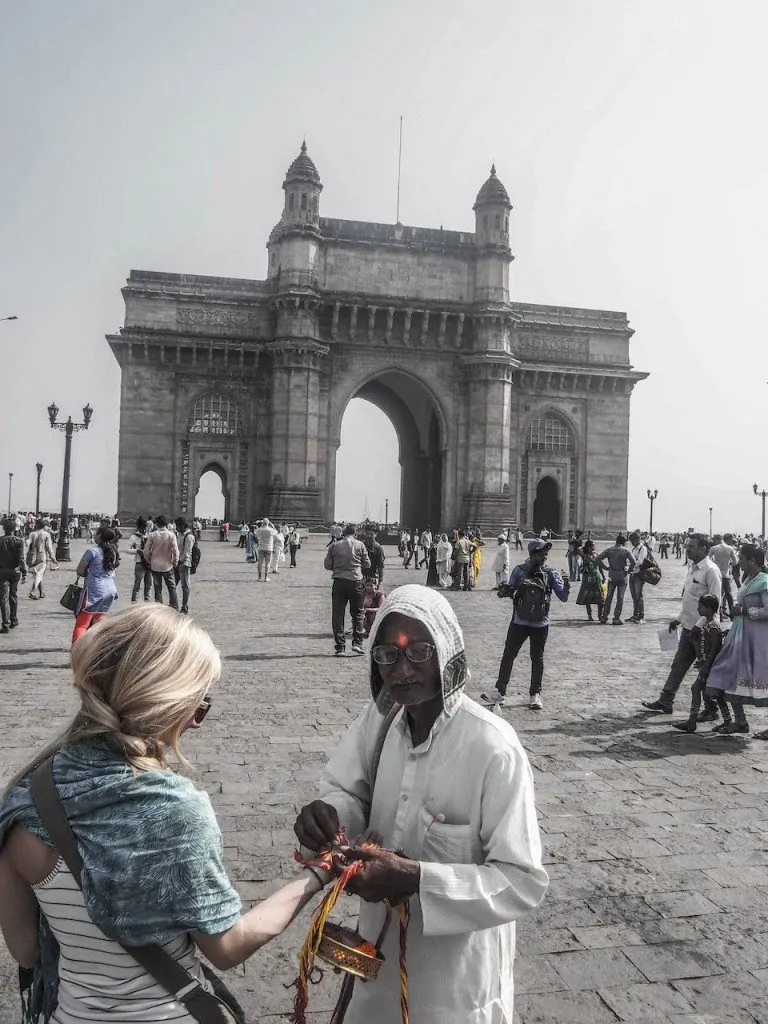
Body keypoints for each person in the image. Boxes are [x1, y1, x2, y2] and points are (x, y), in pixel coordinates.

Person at [0, 605, 334, 1024]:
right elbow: (226, 947)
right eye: (198, 706)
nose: (195, 723)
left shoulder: (25, 795)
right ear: (164, 700)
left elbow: (26, 948)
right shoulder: (174, 810)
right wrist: (318, 874)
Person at [294, 585, 548, 1024]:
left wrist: (416, 878)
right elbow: (348, 790)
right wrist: (331, 815)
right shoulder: (381, 719)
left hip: (453, 985)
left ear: (448, 653)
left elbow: (521, 881)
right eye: (387, 654)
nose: (402, 670)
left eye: (419, 651)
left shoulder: (493, 748)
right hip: (376, 959)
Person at [481, 539, 570, 711]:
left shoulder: (550, 573)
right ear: (532, 553)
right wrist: (505, 590)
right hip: (520, 621)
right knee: (508, 656)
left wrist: (565, 583)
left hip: (539, 624)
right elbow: (509, 591)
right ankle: (500, 691)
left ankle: (535, 694)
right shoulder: (519, 571)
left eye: (545, 553)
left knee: (537, 659)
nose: (544, 556)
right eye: (540, 553)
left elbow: (563, 597)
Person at [641, 533, 722, 714]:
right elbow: (691, 599)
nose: (687, 549)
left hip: (704, 631)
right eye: (687, 546)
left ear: (703, 549)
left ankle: (711, 708)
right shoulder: (692, 568)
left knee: (705, 669)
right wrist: (679, 619)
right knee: (679, 664)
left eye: (691, 546)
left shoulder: (711, 570)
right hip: (688, 627)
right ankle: (665, 700)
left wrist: (698, 626)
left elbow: (715, 604)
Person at [705, 544, 768, 736]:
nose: (738, 561)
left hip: (757, 640)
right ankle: (739, 721)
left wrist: (746, 611)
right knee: (727, 673)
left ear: (752, 561)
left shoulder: (764, 581)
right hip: (739, 636)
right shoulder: (748, 579)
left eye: (741, 558)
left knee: (762, 680)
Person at [671, 595, 732, 733]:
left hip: (711, 667)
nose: (698, 608)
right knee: (713, 694)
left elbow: (715, 649)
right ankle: (723, 721)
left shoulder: (713, 627)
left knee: (702, 690)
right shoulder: (707, 624)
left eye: (700, 606)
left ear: (709, 609)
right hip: (708, 666)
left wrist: (706, 665)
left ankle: (693, 722)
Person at [324, 523, 370, 656]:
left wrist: (337, 565)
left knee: (338, 615)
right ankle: (357, 643)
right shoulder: (360, 545)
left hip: (339, 582)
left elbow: (327, 565)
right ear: (355, 534)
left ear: (343, 533)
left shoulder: (334, 545)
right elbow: (367, 564)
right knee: (358, 614)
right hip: (356, 581)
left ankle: (340, 647)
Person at [72, 526, 120, 645]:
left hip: (93, 592)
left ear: (100, 536)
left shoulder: (92, 552)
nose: (94, 535)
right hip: (109, 591)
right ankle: (97, 651)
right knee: (100, 624)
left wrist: (88, 572)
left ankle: (77, 654)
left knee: (82, 624)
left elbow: (80, 571)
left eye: (97, 533)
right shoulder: (113, 552)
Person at [143, 514, 180, 609]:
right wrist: (175, 562)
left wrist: (149, 560)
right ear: (166, 524)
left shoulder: (152, 535)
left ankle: (159, 607)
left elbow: (146, 551)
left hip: (155, 565)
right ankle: (174, 606)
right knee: (172, 587)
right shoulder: (171, 535)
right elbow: (176, 550)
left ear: (157, 524)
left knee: (157, 588)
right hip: (168, 565)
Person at [597, 535, 635, 625]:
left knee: (609, 596)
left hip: (612, 576)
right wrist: (629, 571)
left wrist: (606, 568)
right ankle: (616, 617)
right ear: (623, 542)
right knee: (620, 598)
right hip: (622, 576)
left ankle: (604, 616)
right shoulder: (626, 550)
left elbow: (598, 558)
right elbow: (633, 562)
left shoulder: (609, 550)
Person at [0, 518, 26, 634]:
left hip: (2, 572)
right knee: (13, 595)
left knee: (3, 598)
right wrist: (24, 572)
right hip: (15, 571)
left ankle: (5, 624)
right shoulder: (19, 541)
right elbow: (21, 559)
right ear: (14, 528)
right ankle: (13, 619)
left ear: (4, 528)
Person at [709, 533, 739, 621]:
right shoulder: (730, 548)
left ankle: (720, 615)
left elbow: (708, 559)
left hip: (716, 573)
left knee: (718, 594)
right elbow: (735, 562)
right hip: (725, 574)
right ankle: (732, 615)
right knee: (729, 594)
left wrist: (715, 563)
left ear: (716, 540)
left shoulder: (714, 548)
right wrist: (728, 563)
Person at [26, 519, 56, 600]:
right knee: (39, 574)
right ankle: (32, 591)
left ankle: (41, 592)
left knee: (38, 574)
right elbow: (49, 547)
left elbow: (27, 542)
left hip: (32, 556)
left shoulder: (32, 534)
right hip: (42, 556)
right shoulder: (46, 534)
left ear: (38, 525)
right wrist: (53, 558)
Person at [575, 539, 605, 622]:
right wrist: (584, 547)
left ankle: (600, 615)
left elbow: (600, 567)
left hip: (597, 578)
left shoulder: (596, 556)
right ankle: (589, 615)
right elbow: (577, 549)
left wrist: (603, 577)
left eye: (593, 546)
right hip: (587, 580)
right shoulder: (584, 556)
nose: (593, 547)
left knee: (600, 599)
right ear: (588, 547)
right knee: (587, 598)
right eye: (591, 546)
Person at [128, 516, 152, 603]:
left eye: (145, 527)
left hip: (149, 562)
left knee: (149, 584)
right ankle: (134, 601)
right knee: (138, 583)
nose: (144, 529)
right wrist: (136, 550)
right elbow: (127, 549)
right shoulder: (134, 537)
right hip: (139, 562)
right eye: (142, 527)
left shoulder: (149, 535)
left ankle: (147, 601)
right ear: (139, 527)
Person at [174, 517, 196, 614]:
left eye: (178, 526)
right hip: (177, 563)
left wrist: (179, 561)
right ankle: (173, 604)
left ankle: (185, 607)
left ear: (183, 525)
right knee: (172, 585)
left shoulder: (189, 536)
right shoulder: (180, 535)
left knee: (185, 586)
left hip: (184, 564)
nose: (176, 528)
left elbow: (187, 552)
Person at [627, 531, 648, 624]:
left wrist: (631, 565)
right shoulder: (633, 549)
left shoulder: (642, 548)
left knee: (639, 596)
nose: (632, 543)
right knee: (634, 597)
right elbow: (629, 560)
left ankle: (641, 616)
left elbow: (640, 561)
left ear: (638, 539)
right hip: (632, 574)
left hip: (639, 575)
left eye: (633, 541)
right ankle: (635, 615)